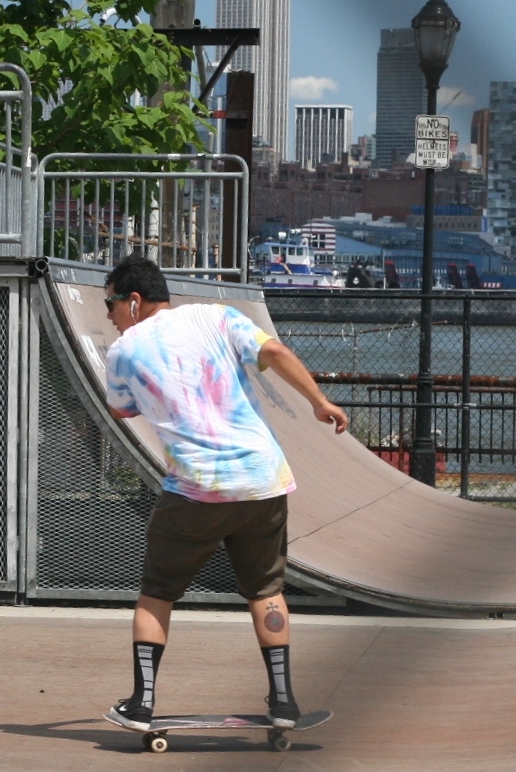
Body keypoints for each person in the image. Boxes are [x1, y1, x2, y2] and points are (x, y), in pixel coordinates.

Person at [100, 253, 349, 730]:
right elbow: (275, 353)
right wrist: (319, 401)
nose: (109, 316)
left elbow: (122, 410)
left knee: (157, 593)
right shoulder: (216, 316)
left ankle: (141, 703)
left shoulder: (123, 352)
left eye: (110, 304)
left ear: (133, 300)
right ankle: (283, 703)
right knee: (266, 590)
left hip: (197, 489)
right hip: (262, 480)